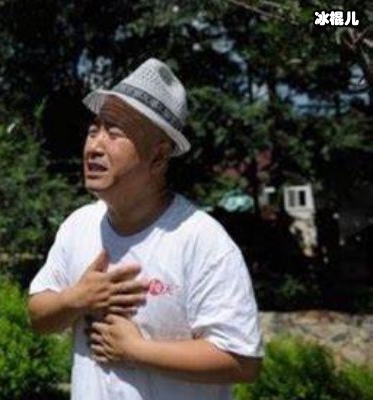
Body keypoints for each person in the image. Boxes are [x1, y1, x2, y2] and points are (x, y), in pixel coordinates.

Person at [28, 58, 263, 400]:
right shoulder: (78, 226)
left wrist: (136, 350)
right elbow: (38, 316)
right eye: (93, 130)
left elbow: (243, 362)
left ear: (158, 156)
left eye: (114, 133)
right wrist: (75, 299)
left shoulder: (201, 241)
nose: (94, 146)